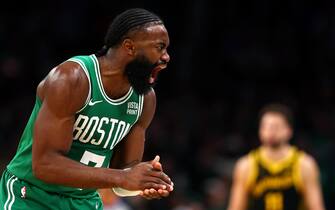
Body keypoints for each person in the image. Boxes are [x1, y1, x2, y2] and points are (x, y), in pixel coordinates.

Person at [0, 8, 174, 210]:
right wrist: (124, 177)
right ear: (129, 47)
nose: (166, 57)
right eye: (160, 47)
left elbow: (122, 183)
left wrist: (143, 183)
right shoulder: (72, 79)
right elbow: (45, 165)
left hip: (85, 202)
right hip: (31, 196)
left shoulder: (145, 100)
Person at [227, 103, 325, 210]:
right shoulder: (246, 165)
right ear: (260, 130)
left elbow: (316, 207)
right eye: (266, 126)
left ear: (289, 130)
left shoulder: (304, 164)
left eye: (276, 127)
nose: (271, 132)